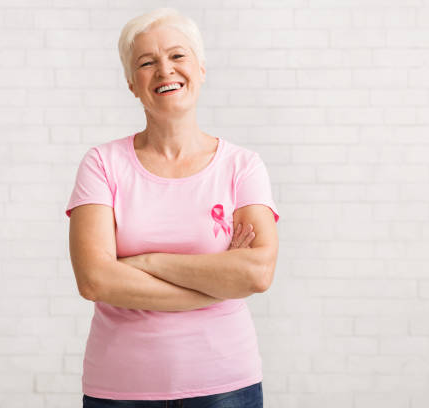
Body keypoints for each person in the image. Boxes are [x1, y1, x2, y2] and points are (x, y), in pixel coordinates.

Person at [65, 7, 280, 408]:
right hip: (121, 388)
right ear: (132, 84)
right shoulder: (102, 164)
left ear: (200, 69)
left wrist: (143, 263)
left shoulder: (242, 166)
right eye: (147, 62)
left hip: (226, 385)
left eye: (178, 56)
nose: (165, 70)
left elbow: (257, 272)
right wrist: (215, 285)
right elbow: (94, 279)